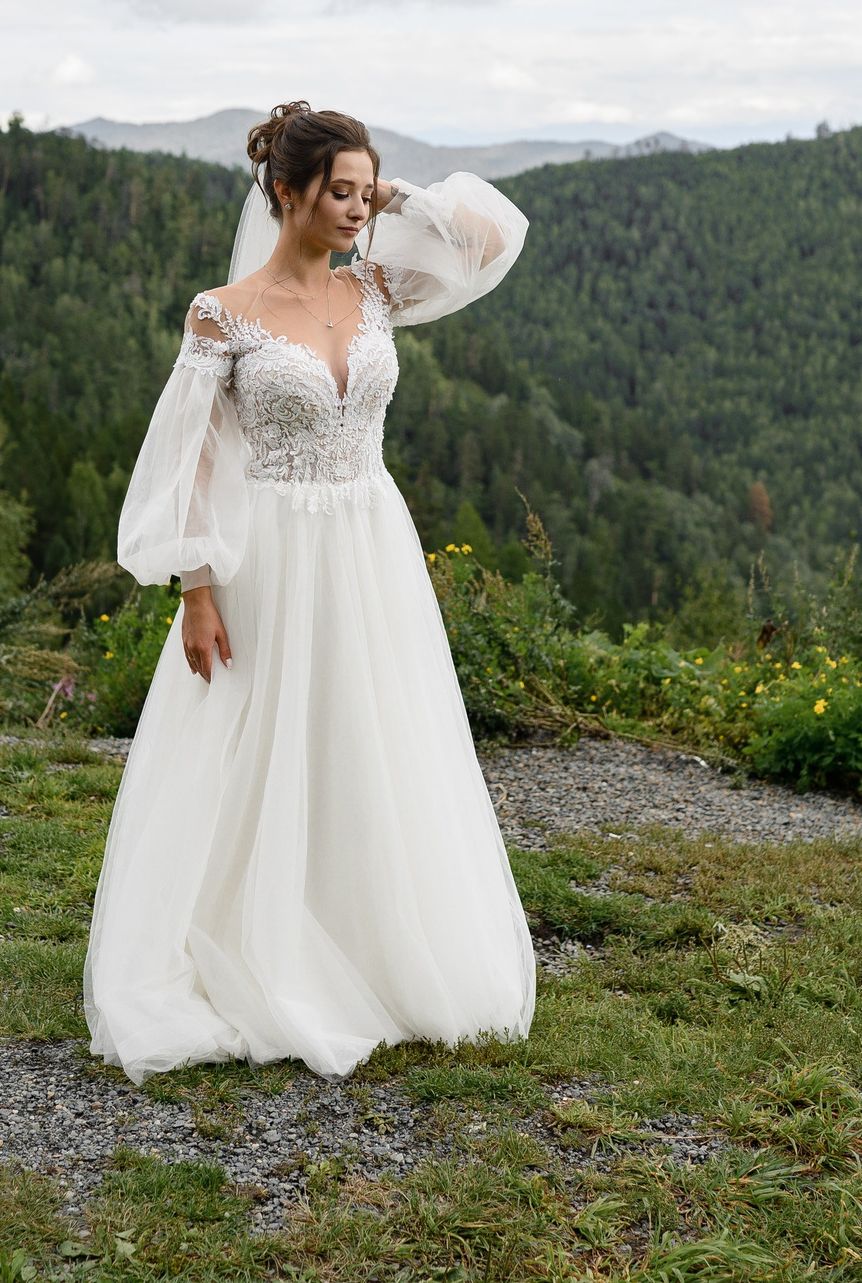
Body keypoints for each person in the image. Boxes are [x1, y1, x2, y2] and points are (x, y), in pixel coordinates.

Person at [83, 100, 537, 1083]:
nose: (354, 207)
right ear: (283, 192)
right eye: (338, 189)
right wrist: (194, 589)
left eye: (363, 191)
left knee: (369, 734)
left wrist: (396, 194)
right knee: (262, 742)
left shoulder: (376, 287)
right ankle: (251, 939)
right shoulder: (223, 313)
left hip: (369, 543)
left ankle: (371, 938)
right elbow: (185, 463)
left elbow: (492, 240)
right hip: (271, 553)